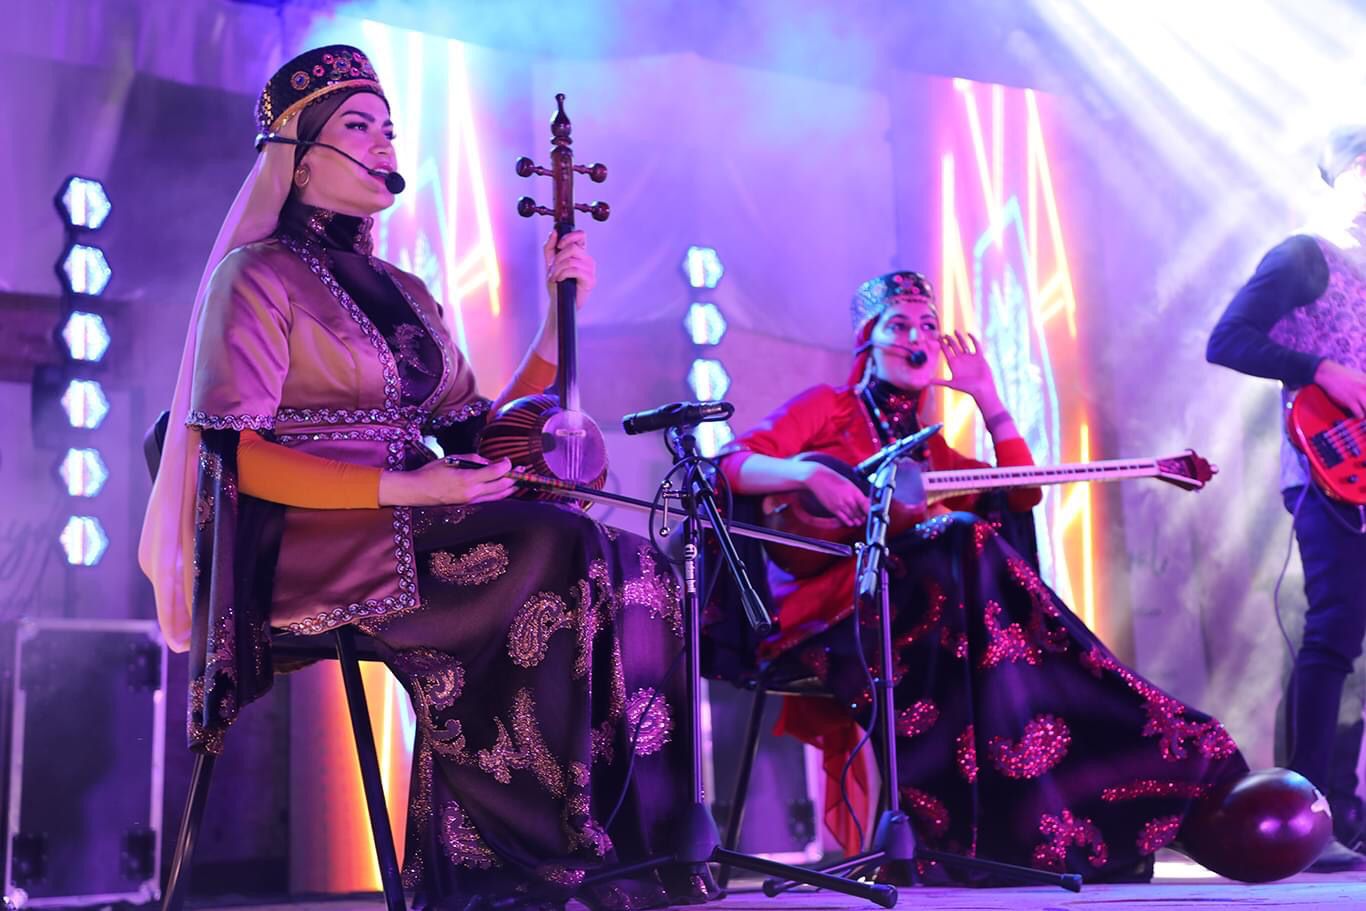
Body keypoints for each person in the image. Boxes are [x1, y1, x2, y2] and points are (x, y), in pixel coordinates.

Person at [139, 45, 718, 910]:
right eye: (358, 128)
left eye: (390, 129)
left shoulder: (406, 290)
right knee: (549, 550)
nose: (384, 146)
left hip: (422, 516)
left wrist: (562, 322)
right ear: (295, 162)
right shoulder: (252, 277)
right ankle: (518, 872)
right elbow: (241, 456)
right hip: (311, 539)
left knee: (636, 560)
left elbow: (478, 430)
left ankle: (630, 847)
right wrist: (414, 490)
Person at [717, 271, 1249, 882]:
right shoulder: (826, 408)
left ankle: (1027, 824)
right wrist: (807, 476)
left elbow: (1019, 494)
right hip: (830, 618)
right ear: (868, 340)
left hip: (921, 623)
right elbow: (729, 464)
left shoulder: (932, 450)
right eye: (900, 326)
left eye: (929, 328)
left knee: (975, 558)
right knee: (963, 538)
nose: (918, 340)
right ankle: (971, 827)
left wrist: (988, 400)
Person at [1206, 125, 1366, 872]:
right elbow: (1228, 338)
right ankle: (1310, 815)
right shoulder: (1305, 256)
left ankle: (1348, 810)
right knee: (1334, 628)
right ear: (1341, 178)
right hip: (1332, 468)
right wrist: (1320, 367)